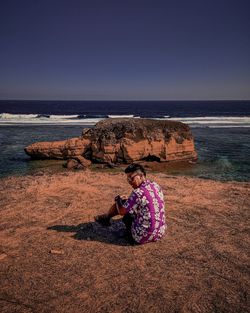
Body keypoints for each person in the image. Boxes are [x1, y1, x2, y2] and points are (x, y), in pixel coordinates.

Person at [94, 163, 166, 244]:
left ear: (141, 176)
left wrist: (118, 199)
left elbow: (121, 212)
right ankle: (106, 217)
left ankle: (109, 219)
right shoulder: (155, 185)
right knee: (130, 205)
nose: (130, 182)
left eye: (131, 178)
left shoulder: (137, 192)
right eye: (128, 179)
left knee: (125, 213)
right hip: (159, 233)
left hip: (141, 237)